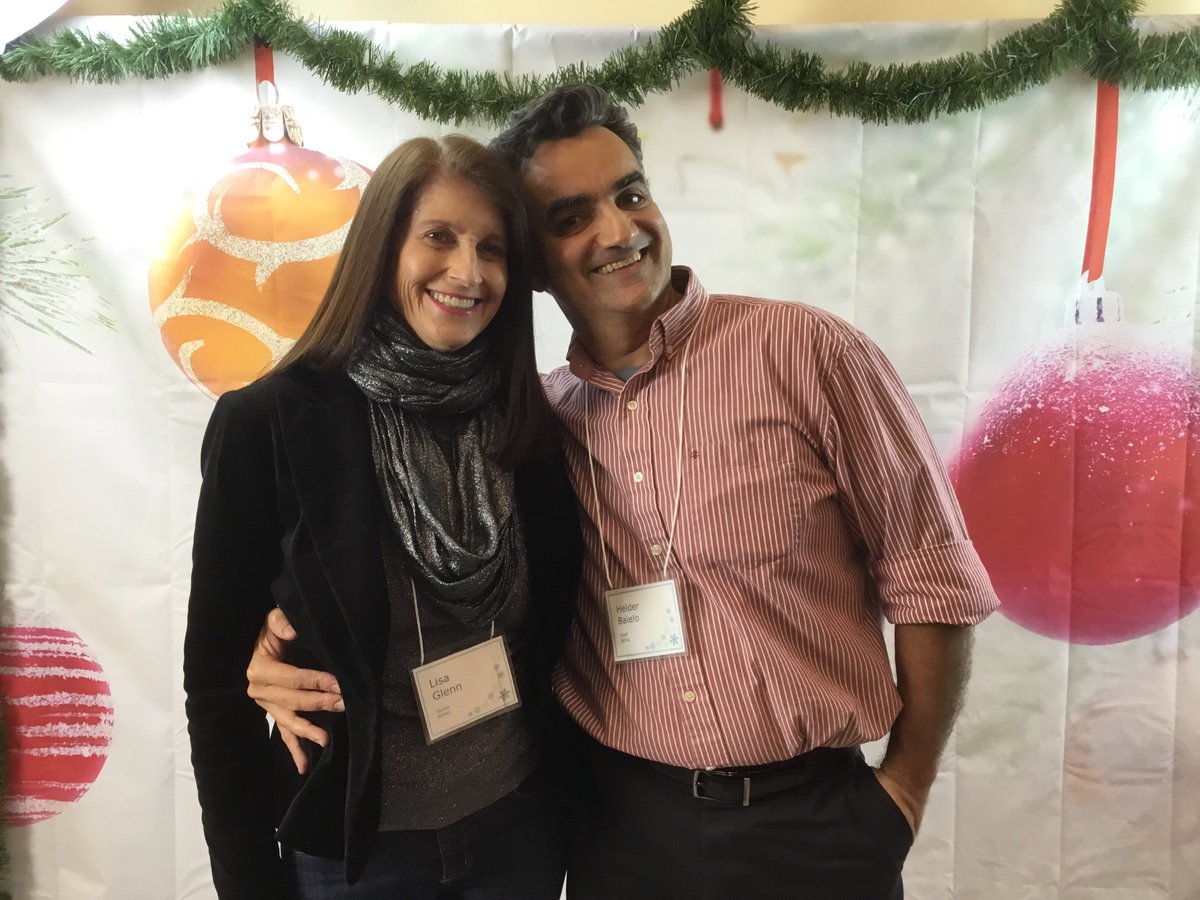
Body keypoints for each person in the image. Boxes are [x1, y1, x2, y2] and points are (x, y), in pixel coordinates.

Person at [247, 85, 1000, 899]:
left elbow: (933, 577)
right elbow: (412, 570)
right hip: (621, 828)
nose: (617, 230)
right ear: (532, 265)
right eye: (571, 217)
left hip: (816, 824)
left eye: (629, 194)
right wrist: (274, 643)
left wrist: (905, 790)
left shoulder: (808, 353)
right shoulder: (535, 423)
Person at [182, 134, 582, 899]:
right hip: (358, 861)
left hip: (520, 831)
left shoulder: (528, 424)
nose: (467, 272)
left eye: (492, 249)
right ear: (382, 245)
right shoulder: (271, 423)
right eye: (438, 237)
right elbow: (215, 688)